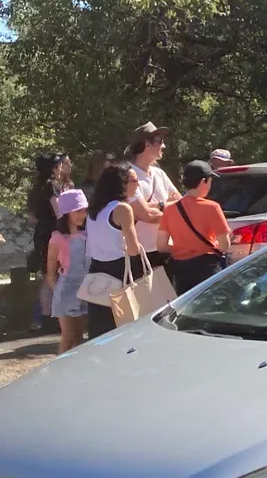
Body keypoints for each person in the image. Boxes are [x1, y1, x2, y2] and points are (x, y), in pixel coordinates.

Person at [85, 163, 146, 338]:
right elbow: (133, 249)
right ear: (122, 183)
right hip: (119, 270)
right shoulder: (122, 208)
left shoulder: (94, 208)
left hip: (96, 270)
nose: (138, 184)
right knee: (124, 324)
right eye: (135, 180)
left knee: (100, 327)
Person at [157, 161, 231, 294]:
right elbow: (225, 245)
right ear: (203, 182)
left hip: (181, 270)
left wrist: (181, 249)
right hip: (207, 267)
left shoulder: (170, 209)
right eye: (210, 181)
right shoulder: (212, 207)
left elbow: (161, 246)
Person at [126, 122, 181, 267]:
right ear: (147, 145)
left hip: (166, 249)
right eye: (160, 141)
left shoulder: (160, 173)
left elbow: (181, 204)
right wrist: (167, 205)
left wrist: (152, 206)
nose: (164, 146)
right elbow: (145, 215)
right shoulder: (127, 176)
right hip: (140, 255)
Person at [26, 153, 70, 325]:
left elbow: (32, 218)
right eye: (58, 165)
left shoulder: (36, 188)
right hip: (53, 234)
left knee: (46, 275)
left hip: (40, 234)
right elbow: (59, 212)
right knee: (56, 274)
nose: (61, 168)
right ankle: (61, 314)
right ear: (52, 169)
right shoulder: (51, 186)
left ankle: (46, 316)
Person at [46, 189, 90, 354]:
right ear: (66, 213)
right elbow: (51, 271)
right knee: (68, 334)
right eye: (78, 210)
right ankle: (58, 370)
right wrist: (57, 291)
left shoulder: (88, 233)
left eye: (85, 210)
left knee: (79, 335)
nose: (82, 215)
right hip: (66, 291)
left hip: (85, 289)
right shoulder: (57, 238)